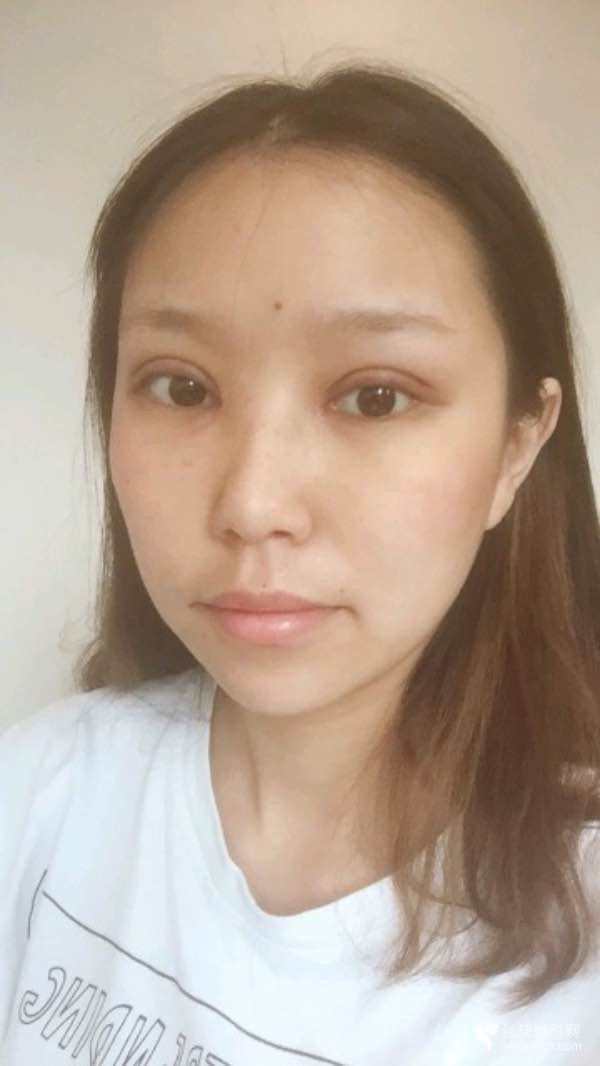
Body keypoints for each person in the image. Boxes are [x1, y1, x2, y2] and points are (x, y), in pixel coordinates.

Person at [2, 60, 600, 1065]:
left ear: (517, 446)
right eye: (182, 387)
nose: (252, 505)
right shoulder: (41, 790)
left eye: (376, 396)